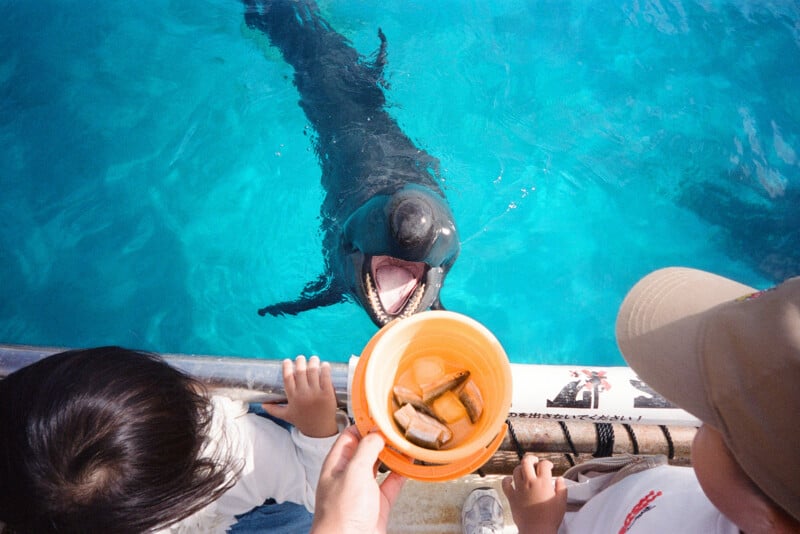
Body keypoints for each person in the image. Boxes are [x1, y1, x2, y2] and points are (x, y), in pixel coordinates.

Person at [501, 267, 800, 533]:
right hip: (626, 500)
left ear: (767, 519)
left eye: (708, 419)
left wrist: (537, 525)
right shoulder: (741, 507)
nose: (698, 422)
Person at [0, 346, 342, 534]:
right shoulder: (235, 452)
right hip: (232, 512)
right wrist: (317, 429)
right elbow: (319, 492)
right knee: (296, 519)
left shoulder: (35, 502)